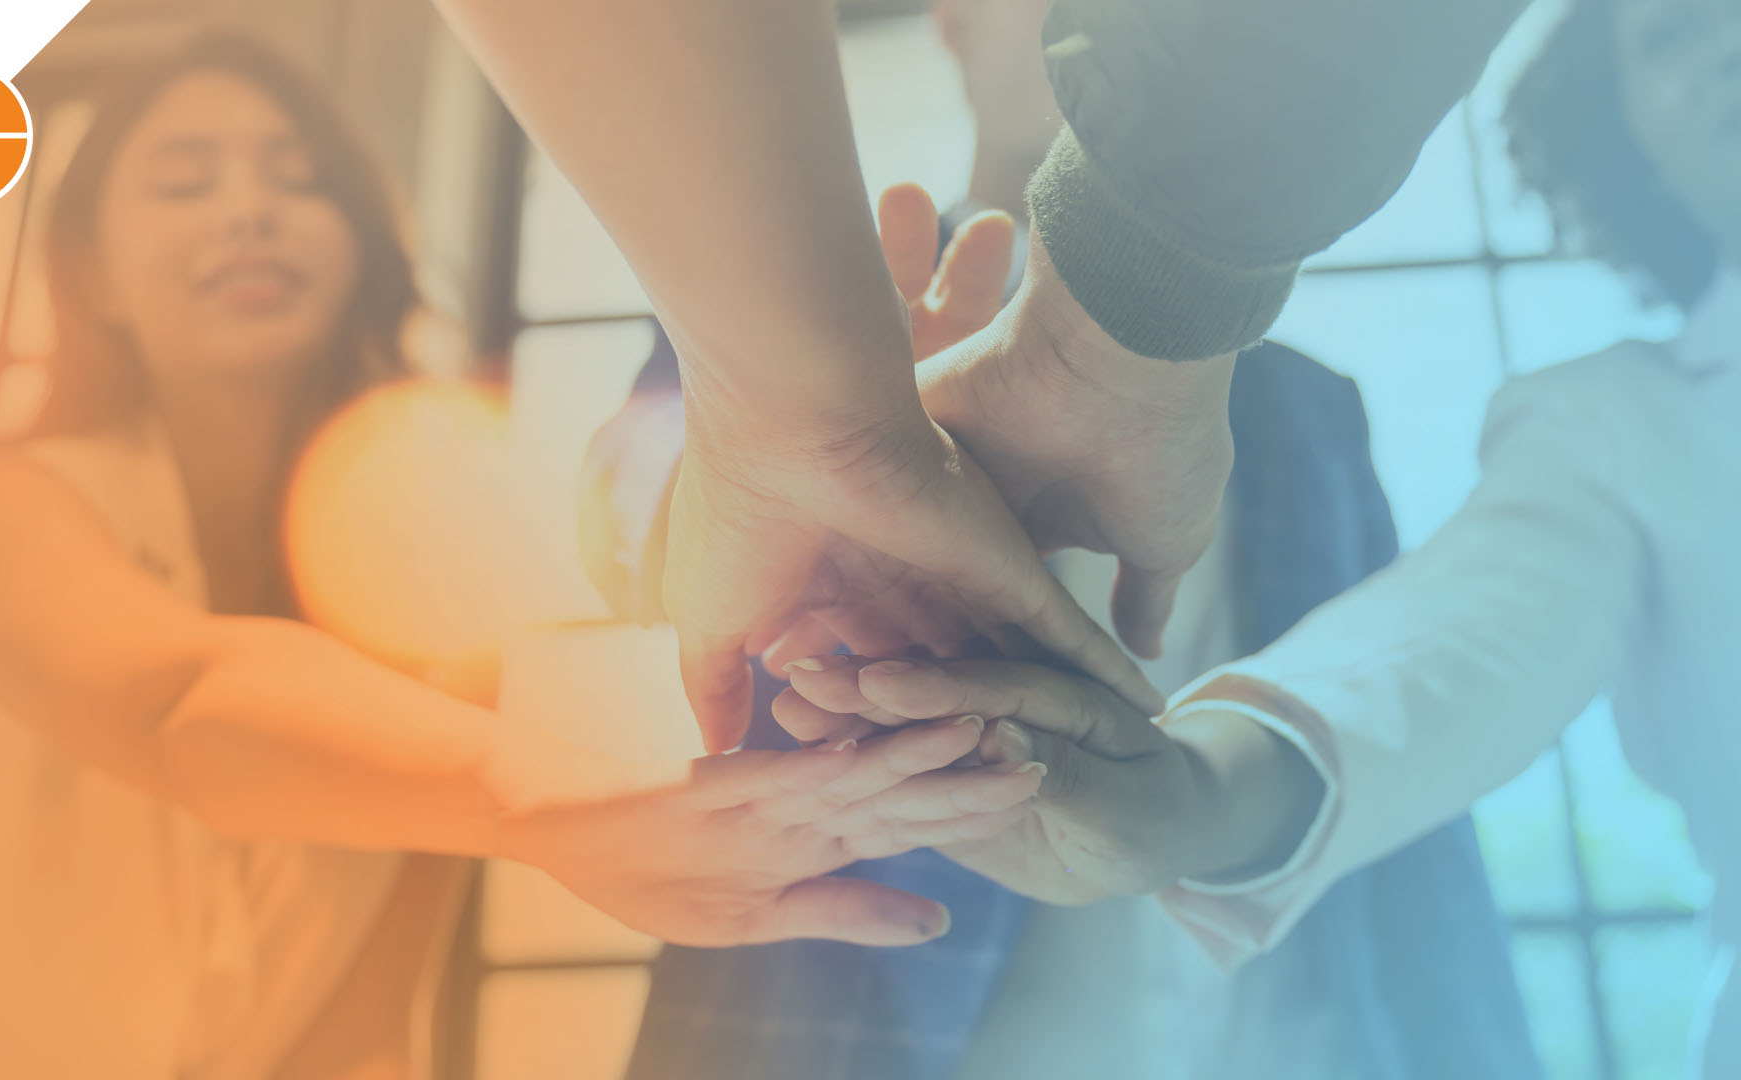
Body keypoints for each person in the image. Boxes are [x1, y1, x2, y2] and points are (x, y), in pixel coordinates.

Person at [0, 34, 1045, 1080]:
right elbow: (182, 704)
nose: (249, 208)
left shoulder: (413, 601)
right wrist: (563, 806)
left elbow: (362, 1023)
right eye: (185, 182)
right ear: (92, 273)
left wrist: (862, 505)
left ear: (361, 241)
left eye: (298, 180)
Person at [583, 8, 1538, 1074]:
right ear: (950, 25)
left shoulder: (1305, 402)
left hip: (1287, 1034)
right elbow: (639, 531)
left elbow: (1383, 709)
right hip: (873, 1036)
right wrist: (840, 425)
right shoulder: (785, 313)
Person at [817, 0, 1741, 1074]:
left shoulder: (1301, 402)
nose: (1731, 42)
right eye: (1671, 32)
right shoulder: (1622, 430)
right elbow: (1438, 652)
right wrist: (1187, 794)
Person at [430, 0, 1537, 747]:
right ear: (950, 23)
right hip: (869, 996)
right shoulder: (757, 291)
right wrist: (793, 448)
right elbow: (629, 506)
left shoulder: (1297, 395)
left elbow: (1367, 692)